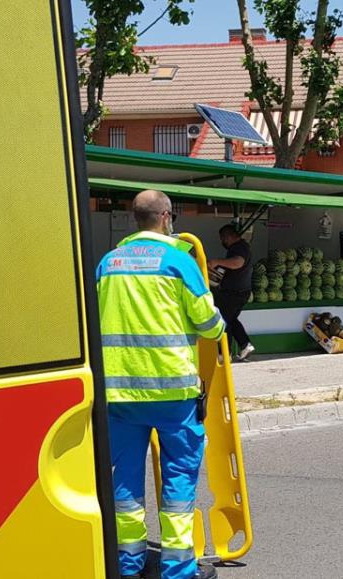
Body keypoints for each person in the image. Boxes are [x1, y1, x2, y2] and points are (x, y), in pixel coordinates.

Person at [96, 190, 225, 579]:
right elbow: (207, 322)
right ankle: (178, 568)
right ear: (166, 217)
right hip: (173, 393)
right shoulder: (178, 261)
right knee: (178, 482)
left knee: (126, 483)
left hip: (118, 394)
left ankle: (128, 563)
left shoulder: (107, 263)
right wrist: (218, 325)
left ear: (134, 218)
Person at [209, 224, 255, 362]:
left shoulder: (240, 247)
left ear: (227, 237)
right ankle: (245, 345)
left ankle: (225, 353)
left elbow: (237, 263)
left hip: (234, 293)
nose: (222, 242)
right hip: (239, 291)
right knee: (231, 319)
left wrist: (217, 261)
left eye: (223, 239)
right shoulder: (240, 247)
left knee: (224, 320)